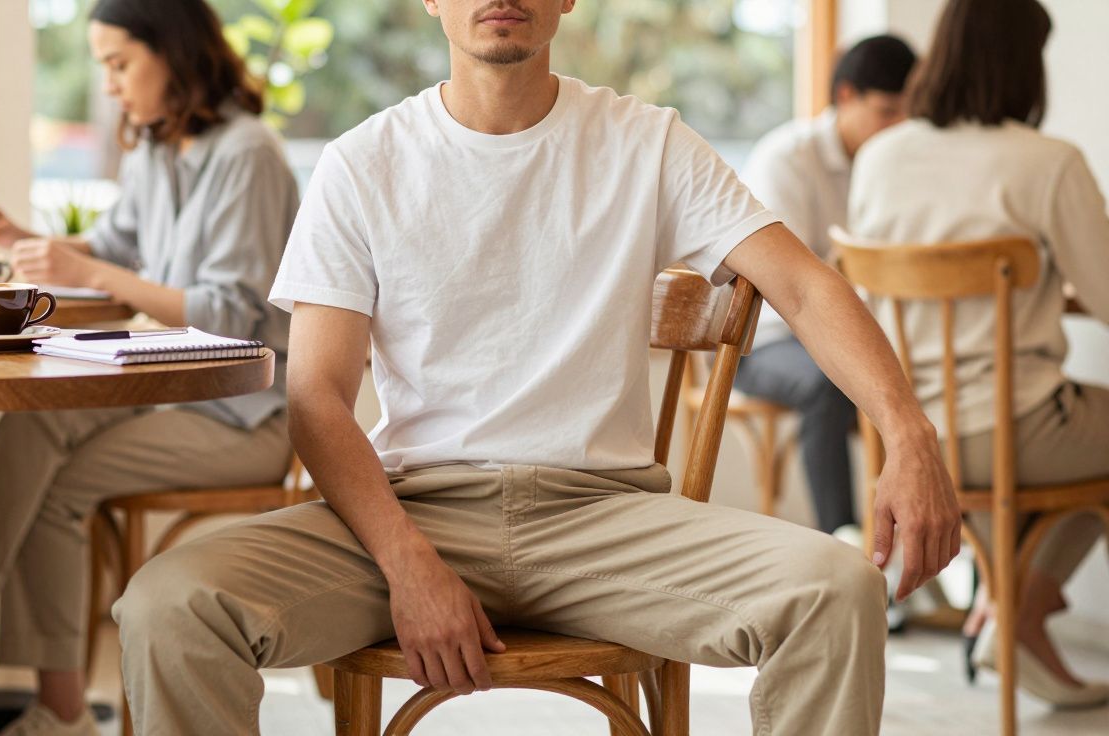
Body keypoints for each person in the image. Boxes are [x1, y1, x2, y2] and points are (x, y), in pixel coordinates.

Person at [113, 2, 960, 734]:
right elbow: (318, 400)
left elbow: (806, 288)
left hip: (604, 518)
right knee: (169, 608)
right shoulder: (360, 164)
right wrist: (411, 566)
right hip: (408, 515)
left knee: (837, 591)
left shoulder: (647, 141)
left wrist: (908, 431)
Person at [0, 0, 299, 733]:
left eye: (119, 64)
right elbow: (111, 253)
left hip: (245, 416)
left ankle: (26, 685)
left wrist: (94, 271)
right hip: (168, 392)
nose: (110, 84)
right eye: (103, 68)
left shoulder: (249, 155)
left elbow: (232, 315)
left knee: (51, 491)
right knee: (31, 426)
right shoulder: (156, 151)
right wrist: (23, 238)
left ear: (173, 53)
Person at [848, 0, 1109, 709]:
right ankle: (1020, 609)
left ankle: (1012, 608)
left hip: (912, 437)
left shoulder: (880, 155)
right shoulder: (1047, 163)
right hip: (1013, 426)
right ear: (1027, 63)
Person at [737, 34, 916, 536]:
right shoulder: (787, 159)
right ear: (844, 97)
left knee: (928, 375)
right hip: (762, 341)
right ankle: (849, 542)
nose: (897, 127)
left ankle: (921, 547)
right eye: (885, 112)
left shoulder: (892, 165)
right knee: (829, 384)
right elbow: (789, 289)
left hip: (844, 331)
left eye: (907, 115)